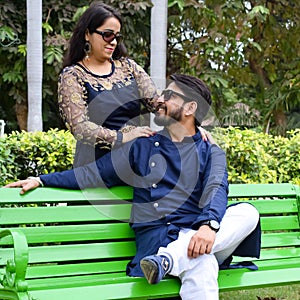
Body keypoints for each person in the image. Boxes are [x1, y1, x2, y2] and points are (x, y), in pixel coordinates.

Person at [5, 74, 261, 300]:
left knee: (249, 212)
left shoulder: (210, 151)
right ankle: (169, 257)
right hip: (158, 240)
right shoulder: (143, 147)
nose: (159, 99)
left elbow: (216, 188)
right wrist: (41, 179)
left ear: (190, 107)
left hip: (198, 235)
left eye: (169, 95)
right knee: (201, 263)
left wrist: (208, 226)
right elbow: (94, 174)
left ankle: (169, 260)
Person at [58, 1, 157, 167]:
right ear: (87, 34)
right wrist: (122, 137)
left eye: (117, 37)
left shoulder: (129, 68)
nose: (113, 42)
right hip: (94, 169)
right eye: (108, 35)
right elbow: (80, 128)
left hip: (133, 163)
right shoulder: (73, 76)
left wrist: (190, 123)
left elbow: (159, 103)